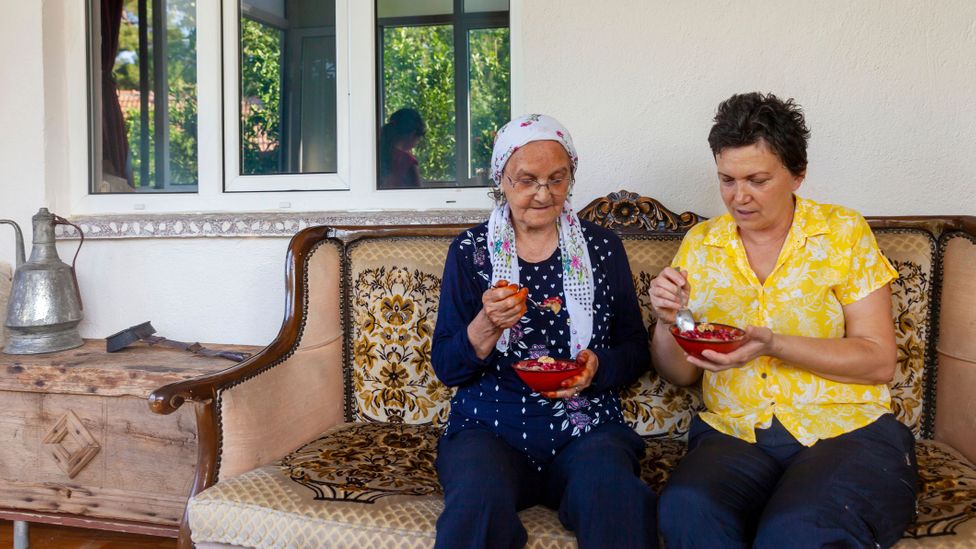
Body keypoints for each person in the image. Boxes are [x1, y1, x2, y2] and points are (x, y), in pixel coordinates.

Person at [651, 92, 918, 548]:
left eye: (757, 179)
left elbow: (878, 361)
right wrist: (666, 321)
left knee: (797, 531)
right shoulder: (701, 244)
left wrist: (774, 343)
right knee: (687, 508)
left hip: (845, 431)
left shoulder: (842, 233)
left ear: (797, 174)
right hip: (734, 433)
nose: (739, 196)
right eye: (727, 179)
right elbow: (679, 373)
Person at [431, 114, 657, 549]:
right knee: (475, 506)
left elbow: (635, 347)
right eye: (527, 180)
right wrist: (485, 324)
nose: (543, 193)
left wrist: (598, 366)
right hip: (489, 427)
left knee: (618, 498)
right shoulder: (470, 251)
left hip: (586, 427)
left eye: (557, 179)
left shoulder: (602, 247)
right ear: (502, 180)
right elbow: (447, 366)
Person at [378, 107, 425, 188]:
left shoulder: (378, 154)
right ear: (413, 134)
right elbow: (419, 195)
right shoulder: (409, 162)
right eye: (419, 139)